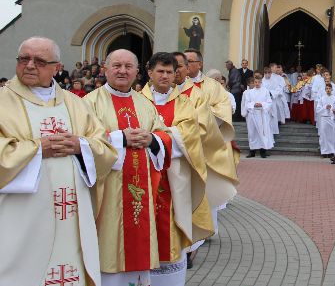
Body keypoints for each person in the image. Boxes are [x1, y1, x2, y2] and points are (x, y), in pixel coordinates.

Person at [0, 37, 117, 286]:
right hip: (21, 216)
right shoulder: (3, 101)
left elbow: (105, 149)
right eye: (24, 59)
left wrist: (80, 146)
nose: (30, 65)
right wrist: (36, 149)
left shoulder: (75, 103)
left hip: (71, 213)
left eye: (40, 61)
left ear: (57, 67)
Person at [83, 49, 173, 286]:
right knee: (108, 248)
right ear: (105, 68)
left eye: (128, 66)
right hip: (107, 194)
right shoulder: (88, 103)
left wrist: (152, 140)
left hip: (141, 193)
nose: (122, 71)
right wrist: (119, 139)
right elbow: (82, 143)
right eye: (117, 66)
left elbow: (165, 134)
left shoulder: (145, 104)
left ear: (137, 71)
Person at [141, 52, 213, 285]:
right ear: (149, 72)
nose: (165, 76)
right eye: (160, 71)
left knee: (170, 227)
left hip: (172, 179)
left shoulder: (184, 103)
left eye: (169, 72)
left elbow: (190, 137)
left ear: (176, 75)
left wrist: (155, 139)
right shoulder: (136, 101)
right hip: (139, 176)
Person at [172, 52, 235, 259]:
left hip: (204, 144)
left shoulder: (211, 86)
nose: (185, 66)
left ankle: (199, 236)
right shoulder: (172, 84)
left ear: (199, 64)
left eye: (189, 62)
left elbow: (223, 110)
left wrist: (204, 119)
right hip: (175, 146)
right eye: (182, 62)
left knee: (202, 190)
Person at [241, 75, 274, 158]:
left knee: (262, 133)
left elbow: (269, 102)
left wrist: (262, 104)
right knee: (252, 133)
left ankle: (263, 151)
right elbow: (247, 103)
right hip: (252, 115)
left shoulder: (265, 91)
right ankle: (252, 151)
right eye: (255, 82)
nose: (257, 83)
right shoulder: (250, 92)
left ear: (261, 82)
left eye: (258, 82)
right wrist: (254, 104)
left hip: (262, 114)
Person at [316, 82, 335, 158]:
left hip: (332, 118)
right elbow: (318, 109)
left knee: (332, 135)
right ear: (325, 90)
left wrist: (333, 110)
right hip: (324, 118)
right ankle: (324, 151)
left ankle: (332, 151)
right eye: (327, 89)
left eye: (329, 88)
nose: (328, 90)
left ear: (332, 89)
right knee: (323, 135)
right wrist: (325, 107)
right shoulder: (322, 98)